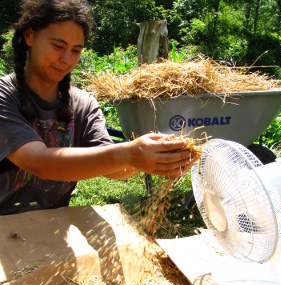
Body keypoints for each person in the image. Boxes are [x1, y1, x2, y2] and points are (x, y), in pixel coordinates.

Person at [0, 0, 194, 215]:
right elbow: (39, 163)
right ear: (29, 36)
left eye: (76, 50)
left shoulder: (83, 104)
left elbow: (111, 167)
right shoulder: (4, 96)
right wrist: (130, 154)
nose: (66, 59)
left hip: (51, 224)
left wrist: (151, 160)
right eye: (58, 46)